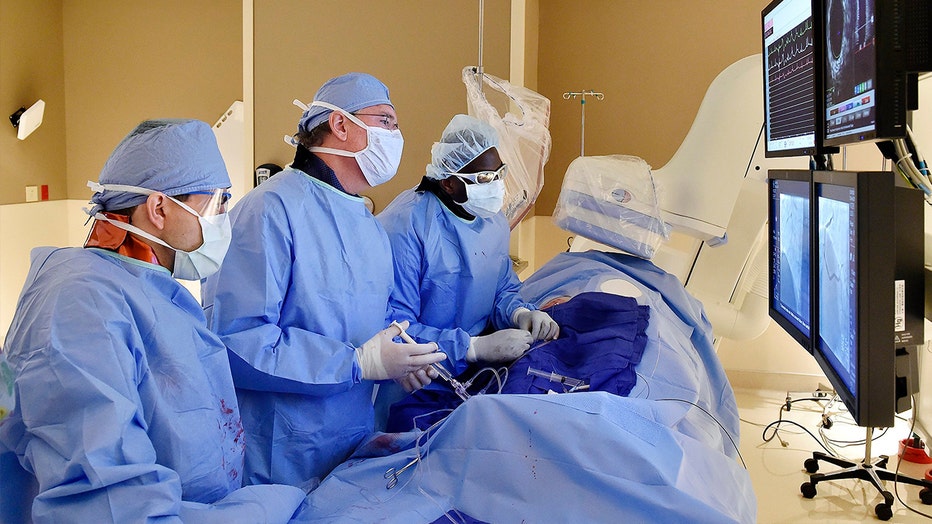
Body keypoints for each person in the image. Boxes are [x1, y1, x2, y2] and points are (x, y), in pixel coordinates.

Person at [0, 119, 305, 523]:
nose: (224, 219)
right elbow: (105, 496)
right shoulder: (80, 301)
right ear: (159, 208)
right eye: (218, 203)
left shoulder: (145, 285)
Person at [200, 72, 445, 490]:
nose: (396, 135)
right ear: (341, 124)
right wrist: (355, 363)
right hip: (280, 453)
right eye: (386, 121)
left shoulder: (366, 225)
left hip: (349, 440)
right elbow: (237, 340)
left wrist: (396, 358)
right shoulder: (269, 210)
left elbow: (373, 317)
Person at [377, 114, 560, 381]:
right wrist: (473, 347)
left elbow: (501, 289)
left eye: (500, 173)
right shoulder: (406, 226)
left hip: (477, 371)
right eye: (485, 178)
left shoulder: (492, 220)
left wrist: (520, 313)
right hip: (419, 375)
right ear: (449, 182)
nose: (497, 185)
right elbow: (394, 327)